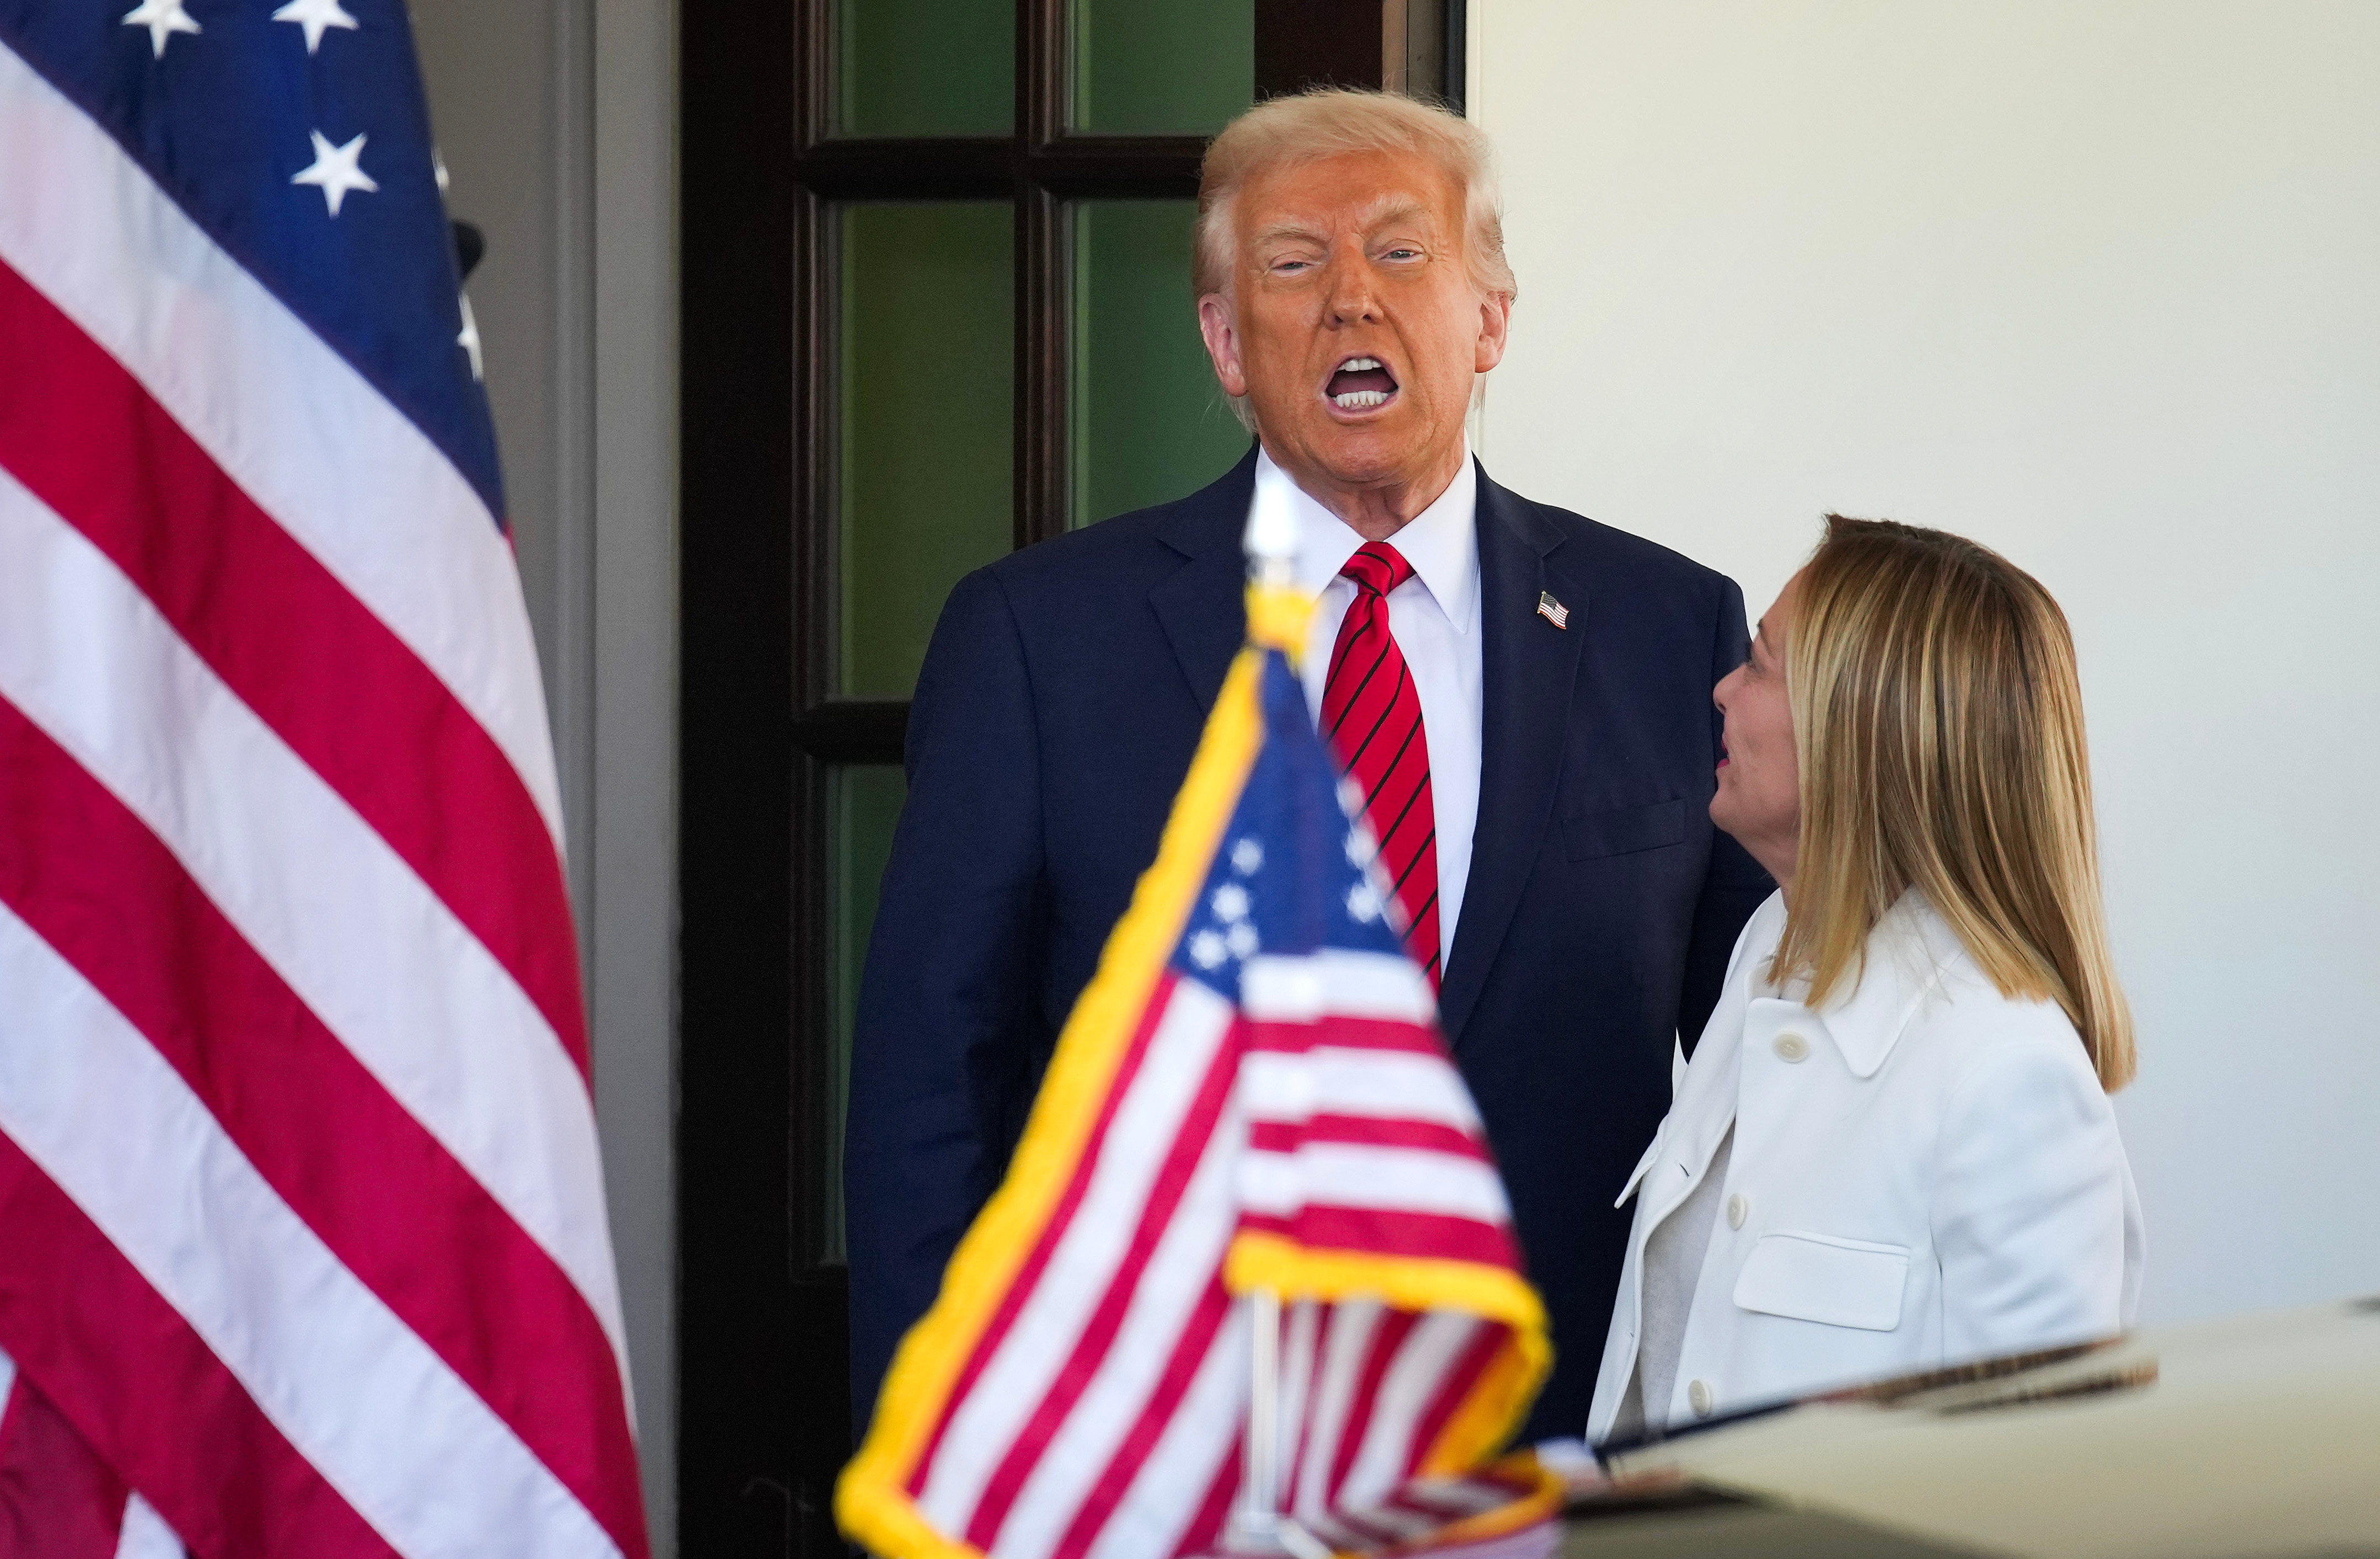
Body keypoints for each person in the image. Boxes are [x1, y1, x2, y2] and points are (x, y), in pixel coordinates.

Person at [845, 88, 1773, 1440]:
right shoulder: (1039, 639)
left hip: (1556, 1452)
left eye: (1402, 251)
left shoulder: (1666, 629)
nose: (1351, 300)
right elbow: (930, 1094)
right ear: (1225, 342)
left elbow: (1774, 1051)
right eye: (1292, 264)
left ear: (1490, 318)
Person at [1586, 516, 2146, 1444]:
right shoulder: (1768, 951)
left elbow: (2045, 1489)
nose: (1723, 688)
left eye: (1760, 664)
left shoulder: (2005, 1075)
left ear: (1861, 726)